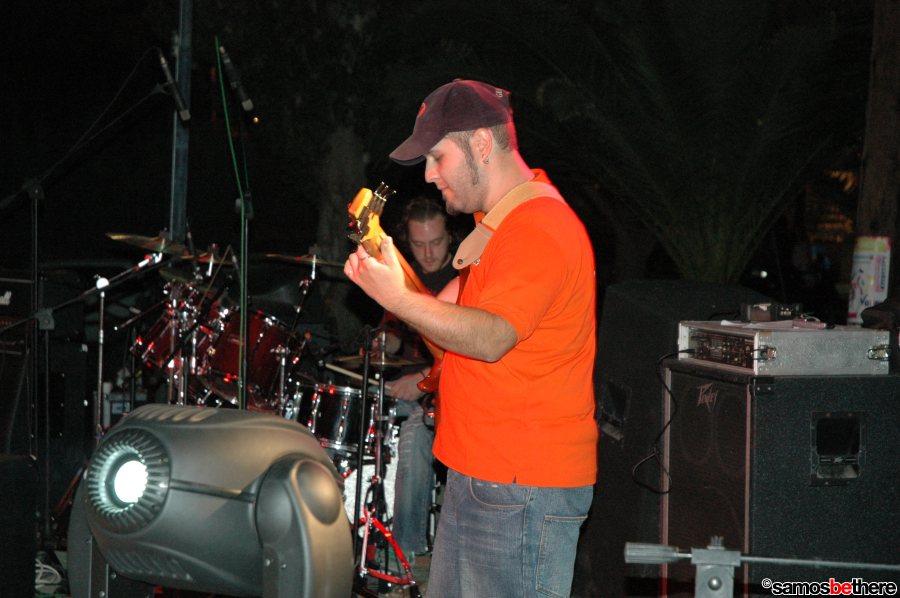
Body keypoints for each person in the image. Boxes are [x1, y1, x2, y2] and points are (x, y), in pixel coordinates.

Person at [344, 79, 597, 597]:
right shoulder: (497, 227)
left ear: (482, 144)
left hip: (521, 487)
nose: (429, 174)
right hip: (484, 477)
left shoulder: (537, 228)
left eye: (438, 156)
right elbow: (447, 330)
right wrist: (390, 261)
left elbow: (491, 337)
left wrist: (396, 299)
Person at [379, 195, 458, 565]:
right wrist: (385, 341)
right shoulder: (404, 279)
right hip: (405, 388)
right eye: (418, 244)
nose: (427, 253)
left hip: (446, 395)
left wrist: (424, 378)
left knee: (414, 433)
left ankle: (406, 554)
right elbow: (393, 336)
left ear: (450, 237)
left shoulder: (465, 279)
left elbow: (466, 351)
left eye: (436, 242)